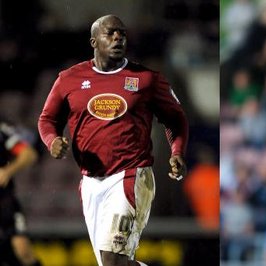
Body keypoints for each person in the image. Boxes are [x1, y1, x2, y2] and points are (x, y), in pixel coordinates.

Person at [38, 15, 189, 266]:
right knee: (114, 263)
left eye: (122, 33)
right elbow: (47, 119)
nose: (118, 37)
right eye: (110, 33)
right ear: (94, 41)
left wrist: (177, 151)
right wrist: (52, 140)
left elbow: (175, 118)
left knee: (113, 260)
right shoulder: (69, 79)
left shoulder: (147, 79)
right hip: (91, 182)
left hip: (130, 174)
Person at [0, 119, 41, 266]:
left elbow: (29, 154)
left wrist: (7, 171)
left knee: (23, 250)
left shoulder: (2, 131)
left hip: (5, 202)